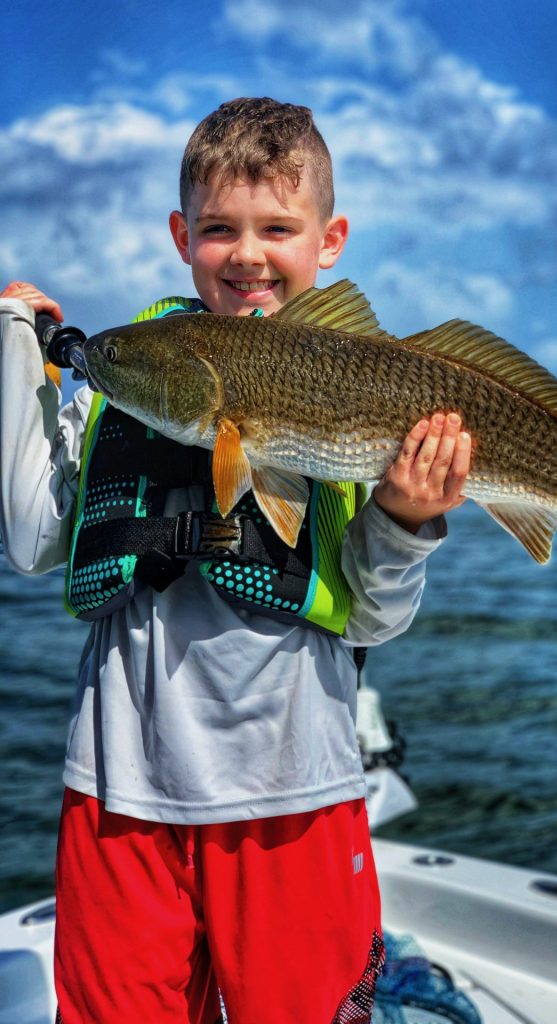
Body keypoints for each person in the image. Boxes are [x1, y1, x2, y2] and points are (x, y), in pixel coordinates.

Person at [0, 97, 471, 1023]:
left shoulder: (359, 387)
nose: (248, 253)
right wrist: (15, 348)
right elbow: (27, 538)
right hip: (118, 797)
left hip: (299, 798)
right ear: (182, 235)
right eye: (219, 228)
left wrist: (410, 519)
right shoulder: (121, 382)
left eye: (278, 228)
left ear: (328, 240)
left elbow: (373, 614)